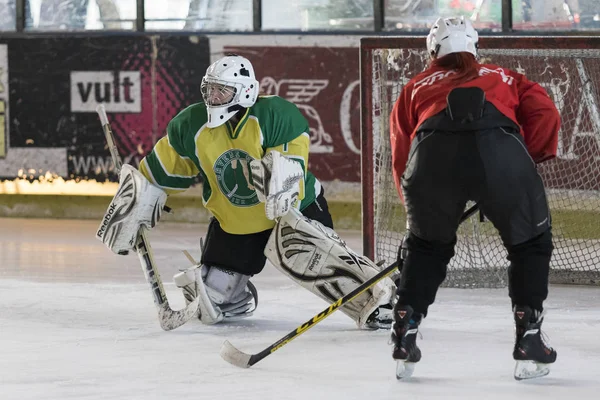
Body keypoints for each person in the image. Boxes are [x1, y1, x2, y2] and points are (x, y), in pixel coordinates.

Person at [96, 54, 395, 330]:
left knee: (317, 263)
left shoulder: (276, 115)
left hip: (294, 214)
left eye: (222, 91)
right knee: (211, 303)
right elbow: (158, 172)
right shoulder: (192, 125)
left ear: (245, 91)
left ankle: (377, 298)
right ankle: (236, 298)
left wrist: (275, 175)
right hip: (237, 224)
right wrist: (134, 200)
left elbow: (292, 173)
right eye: (209, 89)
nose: (213, 98)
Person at [388, 16, 560, 380]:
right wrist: (519, 164)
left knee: (426, 247)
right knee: (530, 243)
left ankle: (405, 327)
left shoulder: (415, 86)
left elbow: (402, 154)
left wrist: (416, 214)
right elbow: (545, 112)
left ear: (432, 52)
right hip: (502, 157)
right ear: (475, 47)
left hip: (430, 161)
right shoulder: (505, 76)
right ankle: (529, 336)